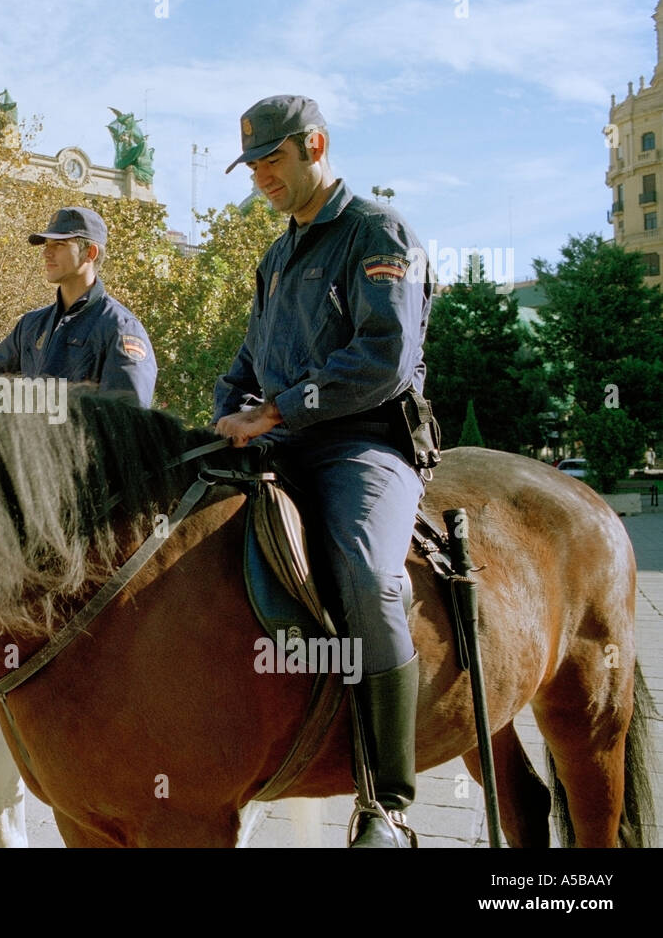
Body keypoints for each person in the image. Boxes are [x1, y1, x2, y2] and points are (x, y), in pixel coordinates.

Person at [213, 96, 433, 848]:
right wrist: (225, 413)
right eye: (252, 166)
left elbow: (384, 358)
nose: (261, 178)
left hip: (361, 445)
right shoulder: (275, 257)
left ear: (317, 146)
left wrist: (275, 411)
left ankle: (387, 802)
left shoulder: (377, 232)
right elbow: (247, 364)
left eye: (272, 160)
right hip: (280, 443)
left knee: (370, 579)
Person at [0, 207, 157, 408]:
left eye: (59, 244)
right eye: (47, 244)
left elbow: (125, 422)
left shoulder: (120, 328)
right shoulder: (30, 324)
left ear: (90, 253)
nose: (46, 253)